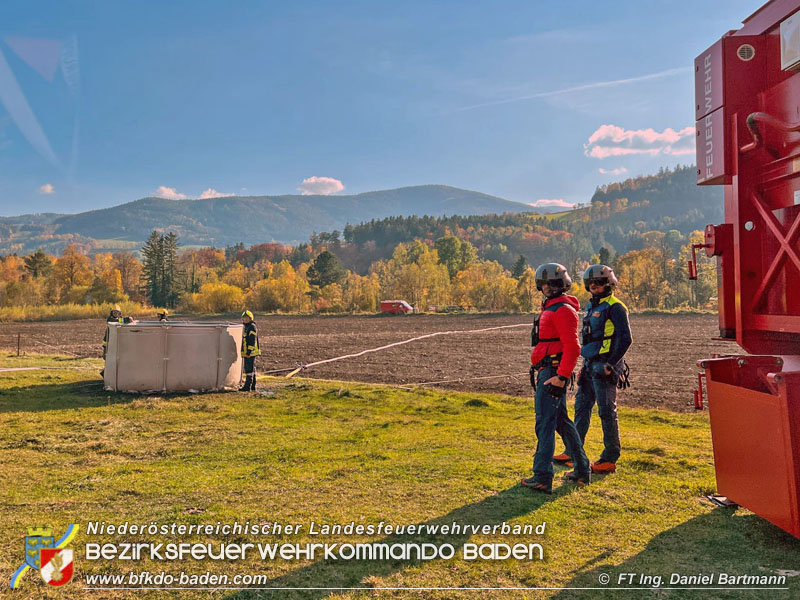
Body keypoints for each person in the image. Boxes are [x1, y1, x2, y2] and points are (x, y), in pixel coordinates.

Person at [553, 264, 632, 473]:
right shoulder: (592, 307)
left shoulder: (616, 307)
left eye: (599, 282)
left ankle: (609, 458)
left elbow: (626, 339)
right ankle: (573, 451)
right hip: (589, 365)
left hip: (605, 365)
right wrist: (584, 365)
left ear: (609, 283)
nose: (594, 286)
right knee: (581, 408)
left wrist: (611, 364)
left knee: (607, 412)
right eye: (591, 283)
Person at [522, 263, 591, 493]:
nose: (548, 288)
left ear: (562, 285)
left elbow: (572, 347)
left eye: (553, 283)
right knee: (563, 423)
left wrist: (561, 377)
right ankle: (582, 470)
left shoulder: (563, 310)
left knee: (545, 424)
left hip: (552, 374)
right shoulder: (551, 308)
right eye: (545, 284)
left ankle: (542, 476)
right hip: (548, 371)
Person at [101, 305, 135, 377]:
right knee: (108, 359)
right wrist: (126, 319)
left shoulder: (120, 318)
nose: (116, 313)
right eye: (114, 312)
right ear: (111, 313)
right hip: (108, 343)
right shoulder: (110, 319)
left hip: (115, 342)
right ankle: (105, 374)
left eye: (117, 312)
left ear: (119, 313)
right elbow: (117, 321)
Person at [240, 310, 261, 391]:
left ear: (250, 318)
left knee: (249, 369)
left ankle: (247, 386)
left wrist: (248, 352)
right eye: (244, 318)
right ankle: (252, 385)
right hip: (247, 352)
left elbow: (252, 340)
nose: (245, 320)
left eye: (247, 318)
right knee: (252, 368)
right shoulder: (246, 327)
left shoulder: (251, 327)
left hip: (250, 352)